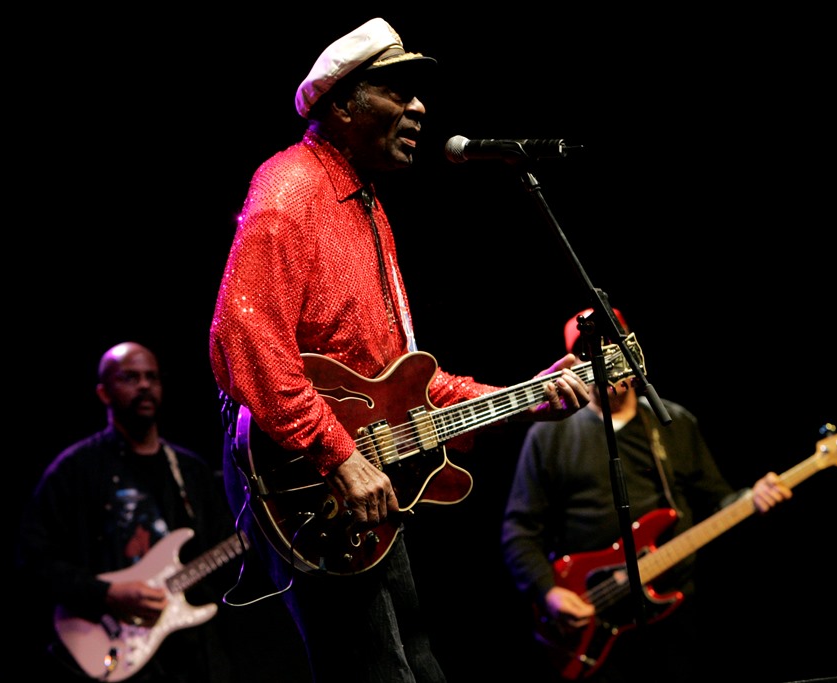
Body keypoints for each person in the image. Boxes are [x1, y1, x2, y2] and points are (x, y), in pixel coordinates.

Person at [208, 17, 592, 683]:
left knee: (418, 664)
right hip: (314, 481)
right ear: (342, 104)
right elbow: (243, 334)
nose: (419, 106)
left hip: (363, 481)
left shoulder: (366, 206)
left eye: (419, 93)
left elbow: (405, 382)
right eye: (397, 90)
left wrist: (521, 397)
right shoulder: (291, 187)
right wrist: (338, 453)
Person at [501, 307, 793, 683]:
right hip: (593, 618)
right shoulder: (549, 434)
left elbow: (717, 500)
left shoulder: (674, 421)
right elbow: (519, 530)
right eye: (590, 349)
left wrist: (752, 498)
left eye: (613, 344)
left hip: (675, 613)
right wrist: (547, 592)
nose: (604, 356)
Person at [15, 341, 248, 683]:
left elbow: (228, 553)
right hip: (114, 650)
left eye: (151, 377)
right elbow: (33, 560)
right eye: (130, 377)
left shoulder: (191, 472)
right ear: (104, 393)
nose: (143, 385)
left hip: (194, 657)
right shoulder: (74, 472)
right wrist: (106, 594)